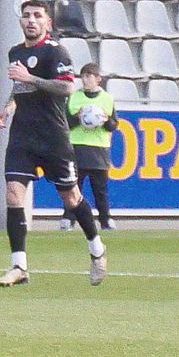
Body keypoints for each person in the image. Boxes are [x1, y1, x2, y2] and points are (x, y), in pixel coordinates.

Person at [0, 0, 107, 287]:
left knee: (71, 197)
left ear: (47, 22)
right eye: (26, 15)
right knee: (13, 193)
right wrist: (9, 105)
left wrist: (30, 78)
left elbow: (66, 86)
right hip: (22, 136)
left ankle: (97, 248)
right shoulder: (15, 51)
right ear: (21, 21)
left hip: (53, 137)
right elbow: (20, 86)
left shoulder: (55, 51)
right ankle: (19, 265)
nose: (31, 20)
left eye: (37, 16)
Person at [62, 62, 122, 232]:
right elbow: (66, 122)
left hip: (99, 148)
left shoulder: (107, 99)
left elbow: (113, 125)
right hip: (77, 147)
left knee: (100, 190)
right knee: (73, 187)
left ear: (98, 79)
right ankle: (68, 218)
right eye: (83, 77)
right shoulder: (74, 97)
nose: (85, 80)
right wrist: (78, 116)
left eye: (89, 76)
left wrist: (105, 120)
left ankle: (105, 219)